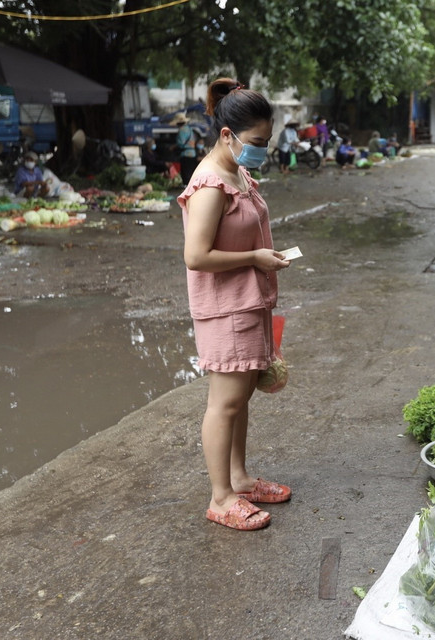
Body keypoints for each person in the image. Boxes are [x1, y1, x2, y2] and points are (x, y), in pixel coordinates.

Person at [178, 77, 292, 531]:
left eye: (267, 141)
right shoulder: (209, 184)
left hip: (248, 301)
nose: (262, 150)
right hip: (224, 309)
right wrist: (254, 257)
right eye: (256, 142)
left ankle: (240, 479)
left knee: (241, 398)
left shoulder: (237, 171)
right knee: (223, 403)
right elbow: (195, 255)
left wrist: (264, 256)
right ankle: (220, 497)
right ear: (227, 135)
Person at [173, 113, 197, 184]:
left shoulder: (181, 130)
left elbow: (180, 143)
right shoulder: (190, 129)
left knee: (186, 173)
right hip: (193, 154)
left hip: (185, 154)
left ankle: (186, 188)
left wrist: (173, 147)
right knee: (192, 173)